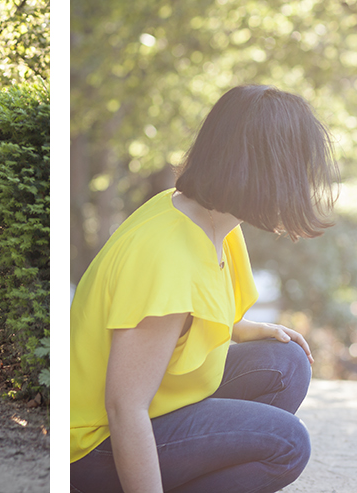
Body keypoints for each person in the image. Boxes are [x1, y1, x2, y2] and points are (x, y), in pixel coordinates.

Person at [70, 85, 334, 493]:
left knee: (287, 364)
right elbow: (124, 408)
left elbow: (181, 320)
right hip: (93, 446)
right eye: (299, 169)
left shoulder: (209, 222)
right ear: (267, 170)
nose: (304, 183)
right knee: (287, 444)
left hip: (154, 404)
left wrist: (239, 328)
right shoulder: (167, 256)